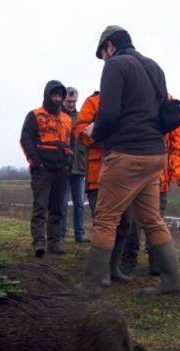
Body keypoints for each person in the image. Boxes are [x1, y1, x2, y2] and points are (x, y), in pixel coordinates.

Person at [79, 26, 180, 296]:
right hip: (154, 155)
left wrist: (94, 132)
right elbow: (162, 112)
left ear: (110, 46)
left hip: (126, 154)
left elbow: (109, 113)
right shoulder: (154, 67)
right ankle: (173, 282)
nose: (103, 59)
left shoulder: (115, 66)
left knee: (105, 219)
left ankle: (90, 287)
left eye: (102, 53)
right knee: (152, 220)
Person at [74, 91, 133, 286]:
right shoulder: (93, 102)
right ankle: (103, 271)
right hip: (98, 175)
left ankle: (114, 268)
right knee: (104, 223)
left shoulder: (131, 100)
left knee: (125, 223)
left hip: (125, 175)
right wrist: (104, 133)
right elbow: (80, 131)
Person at [121, 114, 180, 275]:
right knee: (131, 221)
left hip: (159, 178)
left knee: (155, 221)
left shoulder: (169, 105)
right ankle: (128, 260)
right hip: (134, 175)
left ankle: (156, 262)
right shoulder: (133, 101)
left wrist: (177, 172)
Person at [20, 80, 73, 257]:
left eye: (60, 95)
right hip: (42, 169)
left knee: (58, 207)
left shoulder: (67, 118)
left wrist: (69, 161)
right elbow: (25, 140)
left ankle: (54, 242)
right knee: (40, 206)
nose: (57, 98)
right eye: (54, 95)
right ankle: (39, 243)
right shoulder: (34, 115)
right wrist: (37, 163)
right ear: (47, 95)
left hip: (61, 168)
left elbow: (70, 142)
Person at [60, 87, 90, 244]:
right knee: (62, 203)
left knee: (79, 203)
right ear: (64, 100)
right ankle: (61, 234)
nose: (71, 104)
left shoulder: (82, 118)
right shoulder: (58, 117)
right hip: (64, 167)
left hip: (79, 167)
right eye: (68, 101)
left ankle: (80, 234)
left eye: (73, 101)